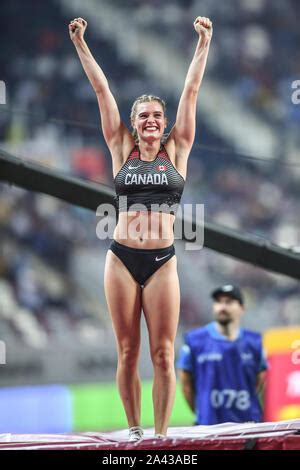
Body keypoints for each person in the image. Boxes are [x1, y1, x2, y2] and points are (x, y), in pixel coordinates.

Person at [69, 15, 213, 440]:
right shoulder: (120, 146)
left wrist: (203, 42)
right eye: (143, 115)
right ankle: (134, 431)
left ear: (165, 123)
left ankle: (162, 436)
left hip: (162, 261)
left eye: (156, 115)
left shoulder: (178, 147)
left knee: (164, 354)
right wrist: (81, 43)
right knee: (128, 351)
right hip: (121, 257)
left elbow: (191, 90)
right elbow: (101, 89)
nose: (151, 120)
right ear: (134, 123)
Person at [177, 285, 268, 426]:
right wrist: (202, 412)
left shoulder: (254, 342)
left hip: (248, 425)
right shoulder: (195, 340)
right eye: (218, 302)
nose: (222, 306)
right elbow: (185, 384)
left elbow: (260, 379)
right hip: (209, 426)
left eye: (229, 302)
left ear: (242, 308)